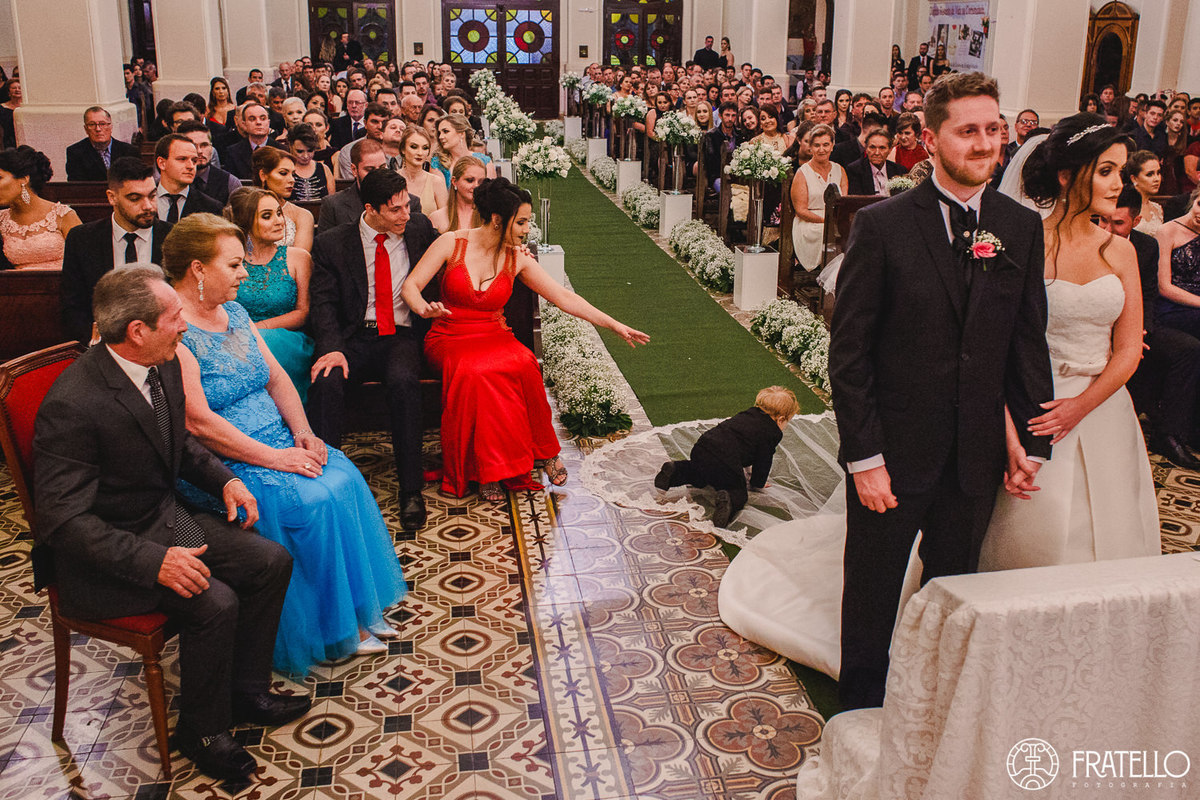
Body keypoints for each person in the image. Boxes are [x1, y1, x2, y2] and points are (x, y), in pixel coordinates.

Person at [829, 72, 1054, 710]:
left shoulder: (1018, 226)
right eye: (968, 131)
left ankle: (932, 704)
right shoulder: (882, 227)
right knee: (871, 593)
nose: (986, 143)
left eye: (994, 129)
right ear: (929, 139)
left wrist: (1029, 442)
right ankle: (859, 713)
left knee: (954, 591)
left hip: (974, 454)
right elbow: (850, 355)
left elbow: (1025, 342)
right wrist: (865, 459)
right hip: (894, 452)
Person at [33, 266, 309, 781]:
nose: (185, 325)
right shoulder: (73, 404)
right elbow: (64, 521)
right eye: (174, 317)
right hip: (106, 554)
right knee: (215, 600)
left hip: (161, 520)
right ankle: (202, 732)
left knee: (270, 560)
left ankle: (246, 691)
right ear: (137, 330)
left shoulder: (159, 363)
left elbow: (179, 445)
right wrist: (155, 561)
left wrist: (224, 480)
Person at [160, 214, 405, 674]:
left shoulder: (233, 312)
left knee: (343, 479)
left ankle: (351, 612)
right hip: (224, 462)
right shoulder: (173, 329)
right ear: (197, 269)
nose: (244, 274)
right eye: (233, 265)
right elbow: (197, 421)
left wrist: (303, 432)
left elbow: (275, 377)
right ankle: (325, 629)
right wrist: (275, 458)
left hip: (278, 439)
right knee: (309, 501)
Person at [978, 115, 1160, 569]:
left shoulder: (1121, 251)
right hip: (1030, 403)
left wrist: (1080, 406)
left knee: (1105, 533)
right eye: (1106, 170)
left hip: (1102, 406)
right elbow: (992, 347)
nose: (1120, 183)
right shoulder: (1022, 244)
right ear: (1066, 175)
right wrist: (1013, 427)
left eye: (1122, 170)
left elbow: (1128, 348)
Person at [400, 178, 649, 500]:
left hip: (494, 334)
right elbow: (410, 287)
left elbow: (562, 296)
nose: (528, 229)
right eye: (522, 221)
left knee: (524, 362)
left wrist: (614, 325)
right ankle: (486, 470)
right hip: (450, 335)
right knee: (476, 373)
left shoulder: (516, 257)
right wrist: (424, 309)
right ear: (497, 220)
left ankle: (543, 453)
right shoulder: (451, 243)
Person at [307, 169, 437, 530]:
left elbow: (457, 248)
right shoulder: (333, 243)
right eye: (395, 210)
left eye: (407, 206)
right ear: (371, 209)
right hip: (352, 338)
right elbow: (324, 304)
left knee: (403, 382)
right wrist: (331, 349)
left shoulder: (419, 229)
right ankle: (326, 487)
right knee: (326, 382)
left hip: (399, 335)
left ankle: (411, 489)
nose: (405, 215)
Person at [1112, 186, 1200, 469]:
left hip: (1145, 321)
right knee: (1188, 348)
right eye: (1104, 221)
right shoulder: (1166, 233)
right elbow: (1162, 289)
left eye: (1118, 224)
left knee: (1190, 349)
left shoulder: (1144, 246)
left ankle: (1182, 430)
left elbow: (1146, 295)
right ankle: (1170, 432)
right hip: (1161, 313)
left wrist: (1142, 328)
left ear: (1135, 222)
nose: (1108, 229)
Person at [60, 157, 173, 343]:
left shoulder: (172, 237)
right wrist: (95, 342)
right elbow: (72, 307)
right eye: (135, 198)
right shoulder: (82, 239)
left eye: (152, 196)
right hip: (101, 346)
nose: (148, 206)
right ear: (112, 197)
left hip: (161, 342)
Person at [654, 387, 798, 527]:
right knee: (737, 490)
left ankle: (675, 470)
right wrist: (758, 483)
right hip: (726, 460)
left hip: (703, 446)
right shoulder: (772, 432)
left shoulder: (748, 413)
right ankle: (727, 499)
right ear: (780, 419)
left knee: (698, 473)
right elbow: (763, 460)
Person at [225, 187, 315, 401]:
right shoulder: (228, 259)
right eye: (267, 216)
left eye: (278, 213)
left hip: (288, 341)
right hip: (235, 338)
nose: (279, 221)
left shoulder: (297, 258)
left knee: (264, 344)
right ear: (245, 221)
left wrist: (257, 329)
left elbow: (304, 313)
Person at [0, 146, 81, 269]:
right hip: (18, 286)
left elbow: (86, 260)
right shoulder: (2, 220)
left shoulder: (63, 215)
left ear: (23, 179)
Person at [790, 124, 846, 271]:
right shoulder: (803, 173)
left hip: (835, 221)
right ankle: (828, 272)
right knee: (828, 233)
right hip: (810, 223)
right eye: (817, 145)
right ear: (811, 147)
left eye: (826, 145)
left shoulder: (840, 170)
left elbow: (845, 204)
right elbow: (800, 210)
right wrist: (826, 221)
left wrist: (834, 221)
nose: (822, 150)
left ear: (832, 146)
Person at [253, 146, 315, 251]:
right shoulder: (244, 208)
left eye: (293, 174)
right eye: (283, 173)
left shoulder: (302, 215)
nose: (292, 180)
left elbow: (300, 259)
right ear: (263, 175)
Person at [154, 134, 223, 224]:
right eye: (182, 159)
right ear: (162, 163)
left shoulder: (211, 207)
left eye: (194, 161)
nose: (191, 166)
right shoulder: (143, 201)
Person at [65, 106, 140, 182]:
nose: (98, 129)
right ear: (86, 129)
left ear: (110, 127)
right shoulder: (76, 153)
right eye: (92, 124)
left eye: (102, 124)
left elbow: (137, 181)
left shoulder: (129, 151)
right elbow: (76, 187)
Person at [177, 121, 241, 208]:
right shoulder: (173, 180)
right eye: (193, 146)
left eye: (204, 145)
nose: (199, 151)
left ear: (211, 147)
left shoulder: (230, 182)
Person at [431, 113, 495, 188]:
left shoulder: (485, 161)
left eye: (445, 131)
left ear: (461, 134)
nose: (440, 137)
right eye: (439, 133)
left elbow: (491, 195)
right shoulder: (438, 164)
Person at [397, 127, 448, 216]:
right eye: (414, 147)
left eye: (425, 148)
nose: (420, 153)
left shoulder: (436, 182)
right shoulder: (392, 179)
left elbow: (445, 219)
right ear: (403, 149)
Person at [429, 156, 486, 234]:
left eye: (481, 182)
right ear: (454, 181)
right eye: (470, 180)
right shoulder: (437, 218)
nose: (476, 186)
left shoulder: (490, 217)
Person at [288, 123, 335, 201]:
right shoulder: (284, 170)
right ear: (291, 146)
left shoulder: (324, 169)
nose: (306, 156)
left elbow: (331, 201)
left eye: (310, 151)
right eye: (300, 151)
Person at [1126, 150, 1165, 235]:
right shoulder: (1125, 207)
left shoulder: (1157, 209)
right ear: (1134, 178)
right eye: (1149, 174)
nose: (1157, 179)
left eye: (1158, 173)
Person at [0, 78, 21, 147]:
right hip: (8, 142)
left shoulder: (27, 108)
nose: (17, 90)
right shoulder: (2, 108)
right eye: (14, 88)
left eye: (19, 88)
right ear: (9, 92)